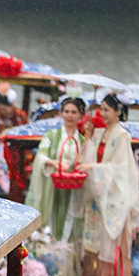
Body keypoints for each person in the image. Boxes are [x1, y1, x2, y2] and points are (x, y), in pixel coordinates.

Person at [78, 94, 139, 276]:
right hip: (98, 190)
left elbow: (120, 168)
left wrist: (94, 167)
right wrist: (88, 136)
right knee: (93, 236)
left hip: (113, 195)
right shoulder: (100, 133)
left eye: (107, 110)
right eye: (101, 109)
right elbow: (90, 156)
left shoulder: (122, 136)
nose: (102, 113)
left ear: (119, 112)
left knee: (109, 239)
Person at [25, 97, 87, 242]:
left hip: (73, 187)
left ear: (80, 115)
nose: (70, 115)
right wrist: (53, 163)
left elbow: (86, 164)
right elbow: (41, 155)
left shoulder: (83, 141)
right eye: (66, 111)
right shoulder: (51, 135)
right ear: (61, 113)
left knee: (68, 221)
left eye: (74, 112)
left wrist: (81, 161)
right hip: (52, 184)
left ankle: (66, 248)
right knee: (51, 218)